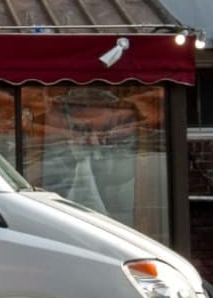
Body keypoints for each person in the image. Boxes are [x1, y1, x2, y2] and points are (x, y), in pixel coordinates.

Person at [37, 88, 141, 222]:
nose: (93, 140)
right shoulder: (50, 161)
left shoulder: (130, 159)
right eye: (82, 130)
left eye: (104, 131)